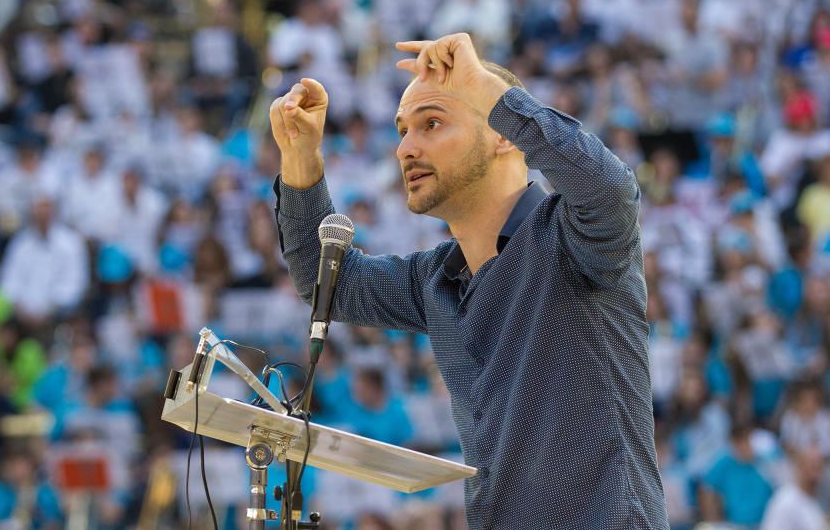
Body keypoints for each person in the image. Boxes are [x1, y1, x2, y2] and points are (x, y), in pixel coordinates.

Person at [269, 32, 666, 528]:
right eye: (402, 132)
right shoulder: (432, 281)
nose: (406, 149)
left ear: (504, 134)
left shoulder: (575, 240)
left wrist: (485, 88)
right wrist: (301, 156)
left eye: (431, 123)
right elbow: (328, 283)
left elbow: (610, 189)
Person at [760, 447, 827, 530]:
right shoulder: (785, 500)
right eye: (812, 466)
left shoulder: (816, 500)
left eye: (819, 467)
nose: (816, 474)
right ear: (799, 467)